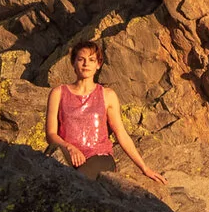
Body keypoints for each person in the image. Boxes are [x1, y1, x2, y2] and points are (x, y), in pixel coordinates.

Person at [44, 41, 160, 183]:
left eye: (91, 60)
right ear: (73, 63)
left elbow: (121, 133)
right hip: (68, 153)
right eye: (81, 59)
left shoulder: (107, 95)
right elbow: (51, 134)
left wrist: (144, 168)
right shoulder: (58, 93)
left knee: (78, 181)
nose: (86, 64)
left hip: (99, 156)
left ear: (98, 65)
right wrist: (69, 147)